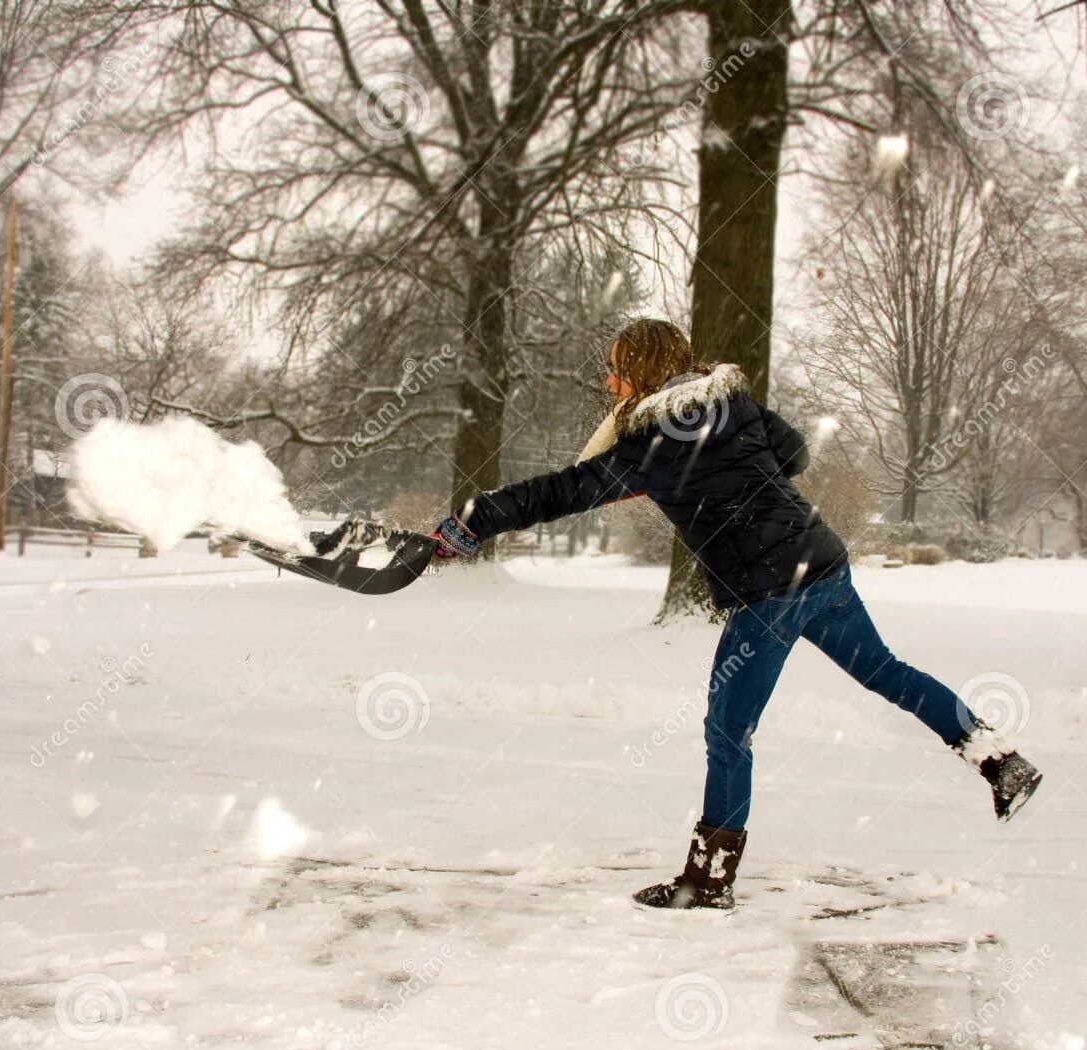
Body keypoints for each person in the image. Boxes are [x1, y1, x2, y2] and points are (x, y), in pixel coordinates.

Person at [430, 319, 1041, 910]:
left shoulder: (649, 445)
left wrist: (474, 521)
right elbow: (796, 453)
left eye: (616, 371)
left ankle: (708, 882)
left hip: (768, 592)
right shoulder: (732, 405)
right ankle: (1000, 761)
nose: (609, 383)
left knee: (728, 731)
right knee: (886, 672)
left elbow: (559, 492)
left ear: (640, 372)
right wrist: (738, 473)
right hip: (821, 566)